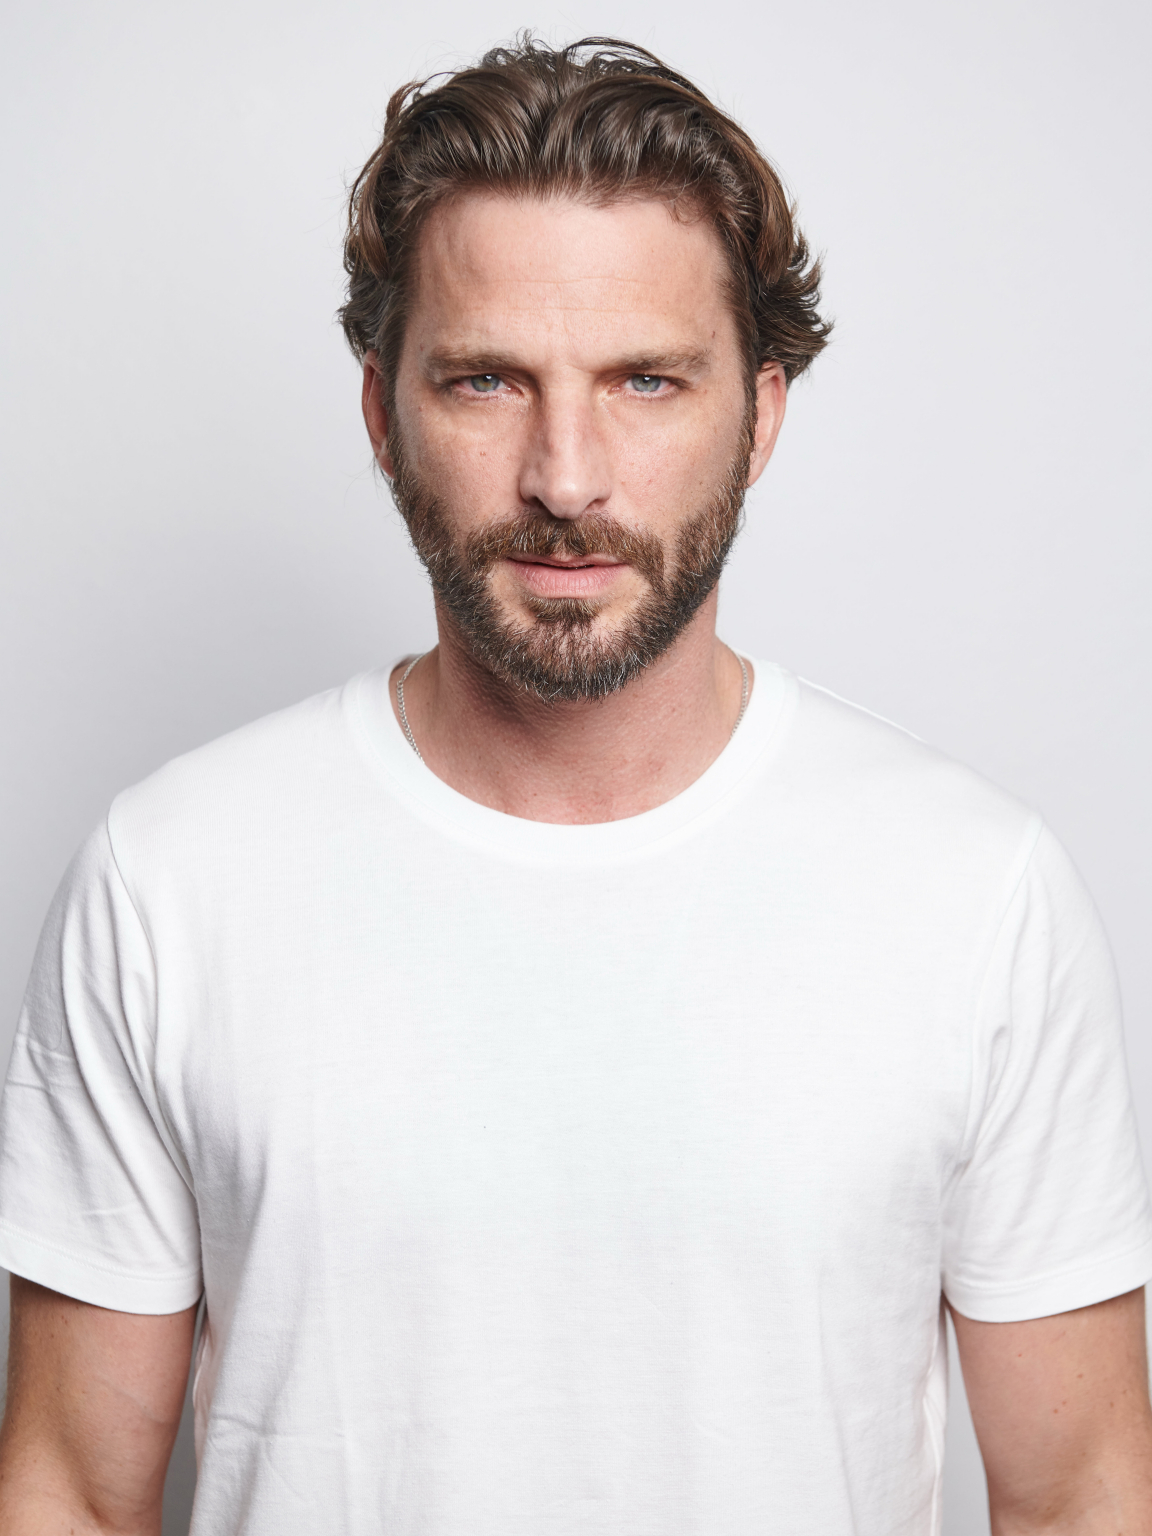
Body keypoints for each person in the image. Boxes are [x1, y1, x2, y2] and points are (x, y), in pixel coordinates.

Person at [0, 34, 1149, 1536]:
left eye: (646, 380)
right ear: (382, 412)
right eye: (485, 380)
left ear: (762, 415)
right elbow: (73, 1495)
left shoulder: (975, 893)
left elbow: (1079, 1497)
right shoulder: (168, 880)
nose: (564, 474)